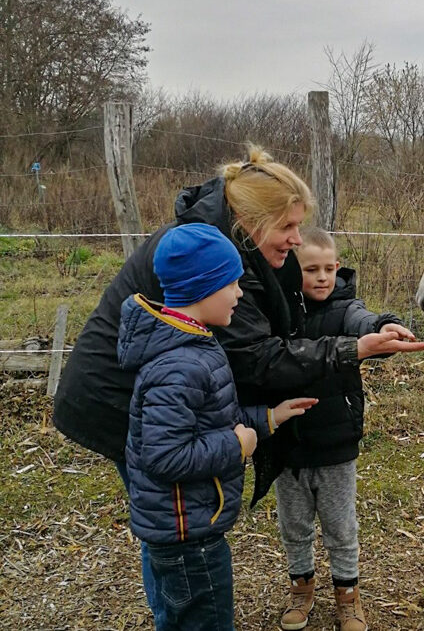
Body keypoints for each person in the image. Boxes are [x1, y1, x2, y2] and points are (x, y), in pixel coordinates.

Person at [53, 144, 424, 621]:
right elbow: (255, 358)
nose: (298, 239)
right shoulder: (213, 259)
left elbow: (312, 305)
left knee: (171, 540)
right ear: (251, 220)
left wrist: (365, 324)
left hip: (154, 400)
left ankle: (177, 609)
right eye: (289, 226)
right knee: (180, 535)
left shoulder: (233, 246)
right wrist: (353, 351)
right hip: (116, 400)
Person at [119, 222, 316, 630]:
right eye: (233, 285)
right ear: (203, 288)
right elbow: (165, 456)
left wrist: (269, 418)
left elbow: (214, 419)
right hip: (187, 541)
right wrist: (237, 447)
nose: (240, 294)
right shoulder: (180, 365)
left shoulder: (194, 344)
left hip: (188, 531)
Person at [276, 227, 424, 631]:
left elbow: (363, 320)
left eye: (329, 268)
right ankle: (301, 587)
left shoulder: (345, 307)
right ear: (293, 268)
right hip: (287, 445)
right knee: (294, 526)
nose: (322, 277)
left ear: (338, 268)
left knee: (341, 527)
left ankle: (348, 595)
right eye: (311, 269)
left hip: (336, 443)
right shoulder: (278, 310)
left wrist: (386, 325)